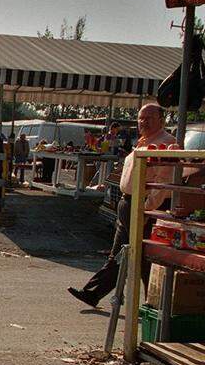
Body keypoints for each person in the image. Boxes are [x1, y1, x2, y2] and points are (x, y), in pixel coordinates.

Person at [68, 102, 176, 308]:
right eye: (141, 118)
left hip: (143, 205)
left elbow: (163, 182)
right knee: (119, 254)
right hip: (128, 203)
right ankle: (93, 292)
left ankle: (154, 302)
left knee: (143, 256)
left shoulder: (165, 143)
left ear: (161, 121)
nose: (143, 122)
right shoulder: (143, 141)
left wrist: (148, 209)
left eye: (149, 118)